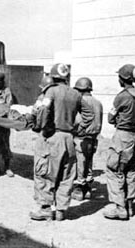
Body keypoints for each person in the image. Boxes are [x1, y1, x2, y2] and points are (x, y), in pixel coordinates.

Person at [30, 63, 82, 221]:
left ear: (52, 76)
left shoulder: (50, 91)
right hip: (69, 138)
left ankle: (45, 209)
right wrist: (76, 130)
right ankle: (61, 211)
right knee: (66, 176)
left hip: (52, 137)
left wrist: (43, 128)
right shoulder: (75, 94)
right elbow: (87, 116)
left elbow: (44, 110)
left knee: (45, 173)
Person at [103, 64, 135, 220]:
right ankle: (129, 206)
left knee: (115, 170)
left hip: (122, 137)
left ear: (123, 78)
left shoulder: (122, 96)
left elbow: (110, 118)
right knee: (131, 172)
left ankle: (119, 208)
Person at [71, 77, 103, 201]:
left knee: (80, 163)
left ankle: (79, 189)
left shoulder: (80, 101)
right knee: (89, 162)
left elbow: (77, 120)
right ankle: (88, 189)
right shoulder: (98, 102)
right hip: (94, 138)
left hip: (81, 136)